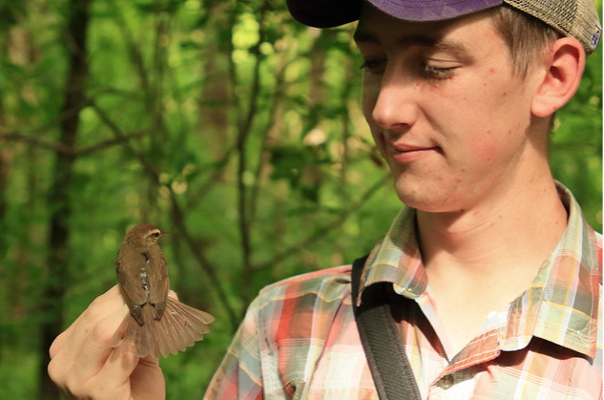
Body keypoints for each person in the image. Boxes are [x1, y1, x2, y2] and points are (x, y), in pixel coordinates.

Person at [48, 0, 602, 399]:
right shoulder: (286, 323)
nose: (384, 109)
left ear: (553, 77)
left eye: (434, 67)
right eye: (374, 62)